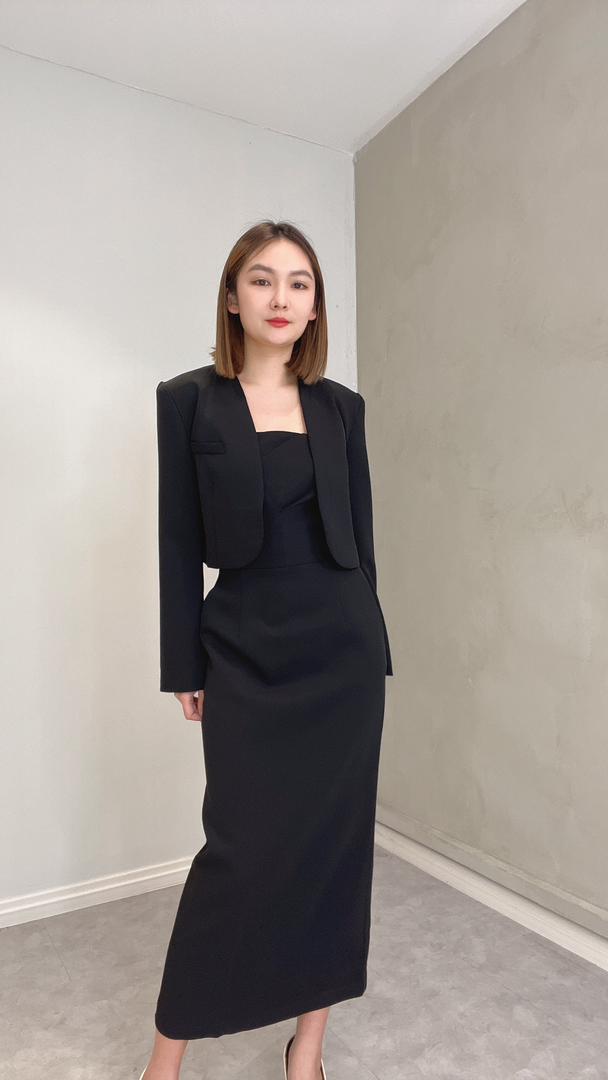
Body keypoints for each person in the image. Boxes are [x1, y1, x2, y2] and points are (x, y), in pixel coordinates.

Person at [140, 220, 394, 1080]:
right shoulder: (188, 399)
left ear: (315, 306)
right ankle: (165, 1061)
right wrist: (184, 664)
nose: (280, 298)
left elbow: (362, 542)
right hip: (244, 644)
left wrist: (376, 648)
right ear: (232, 295)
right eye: (261, 279)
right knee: (238, 856)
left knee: (334, 853)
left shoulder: (343, 407)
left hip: (342, 655)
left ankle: (306, 1049)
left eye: (299, 283)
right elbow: (178, 539)